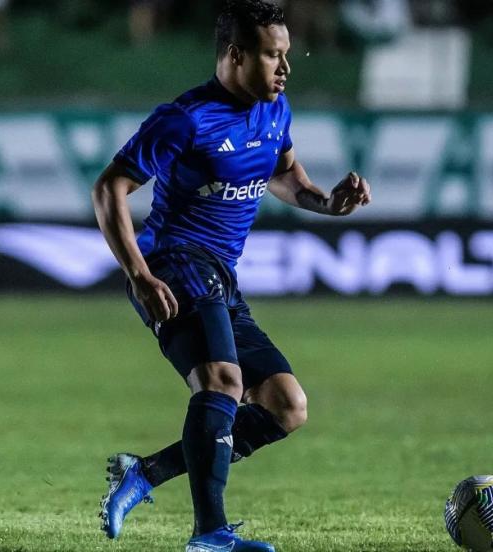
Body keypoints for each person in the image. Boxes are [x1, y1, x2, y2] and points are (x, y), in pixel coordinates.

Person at [92, 1, 370, 550]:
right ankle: (210, 534)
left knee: (286, 405)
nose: (284, 68)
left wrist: (328, 203)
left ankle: (145, 473)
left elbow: (285, 176)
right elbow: (109, 188)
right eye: (271, 55)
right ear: (236, 55)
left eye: (286, 54)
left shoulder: (275, 110)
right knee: (223, 382)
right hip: (174, 263)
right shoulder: (186, 117)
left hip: (220, 276)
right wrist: (140, 275)